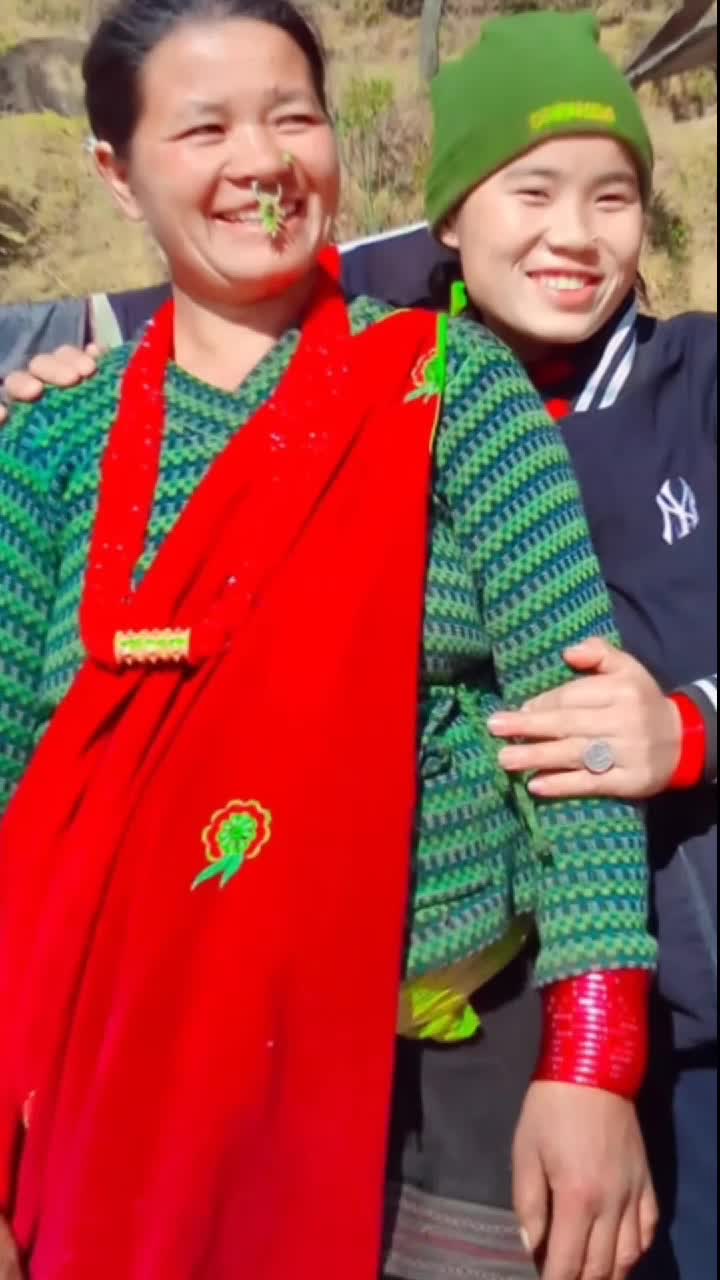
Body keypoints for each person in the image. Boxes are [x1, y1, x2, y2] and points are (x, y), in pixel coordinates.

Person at [5, 11, 715, 1280]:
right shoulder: (57, 443)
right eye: (205, 128)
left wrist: (593, 1059)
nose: (262, 161)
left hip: (459, 1077)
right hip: (142, 1073)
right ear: (117, 170)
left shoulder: (458, 389)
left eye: (294, 116)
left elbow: (576, 746)